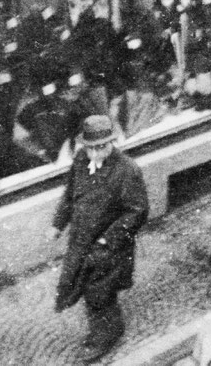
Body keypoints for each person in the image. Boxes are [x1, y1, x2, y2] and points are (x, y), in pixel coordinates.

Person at [46, 115, 149, 362]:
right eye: (90, 147)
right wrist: (57, 224)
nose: (94, 153)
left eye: (101, 147)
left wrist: (107, 240)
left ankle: (105, 335)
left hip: (110, 247)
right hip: (81, 241)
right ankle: (109, 326)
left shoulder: (127, 170)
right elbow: (69, 194)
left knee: (99, 291)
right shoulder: (81, 161)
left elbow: (137, 212)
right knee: (85, 285)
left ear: (112, 142)